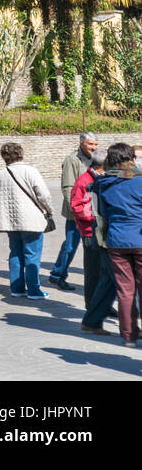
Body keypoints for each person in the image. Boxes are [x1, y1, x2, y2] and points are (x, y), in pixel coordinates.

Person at [0, 142, 55, 300]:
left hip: (10, 222)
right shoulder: (30, 171)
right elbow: (43, 195)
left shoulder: (1, 174)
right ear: (21, 154)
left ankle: (17, 288)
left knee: (15, 253)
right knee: (32, 255)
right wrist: (49, 210)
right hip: (31, 220)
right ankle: (33, 290)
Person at [93, 145, 142, 347]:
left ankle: (129, 335)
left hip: (116, 240)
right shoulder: (139, 181)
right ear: (131, 158)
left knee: (125, 290)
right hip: (139, 238)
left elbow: (103, 213)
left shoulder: (104, 183)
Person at [50, 133, 98, 292]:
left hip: (92, 210)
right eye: (91, 144)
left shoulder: (96, 158)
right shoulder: (72, 160)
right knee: (71, 245)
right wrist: (76, 210)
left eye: (96, 144)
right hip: (77, 212)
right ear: (81, 143)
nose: (94, 147)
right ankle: (58, 275)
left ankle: (57, 273)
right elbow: (67, 187)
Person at [77, 146, 113, 335]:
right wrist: (95, 220)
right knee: (93, 271)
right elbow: (78, 206)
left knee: (104, 272)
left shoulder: (97, 179)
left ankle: (101, 309)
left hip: (99, 231)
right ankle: (92, 307)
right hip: (91, 231)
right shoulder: (86, 180)